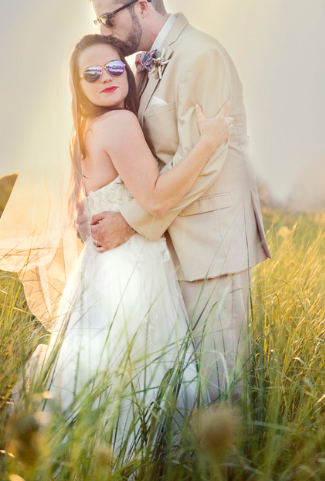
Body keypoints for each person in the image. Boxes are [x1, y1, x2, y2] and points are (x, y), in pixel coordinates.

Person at [22, 34, 232, 452]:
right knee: (137, 365)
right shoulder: (119, 123)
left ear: (128, 70)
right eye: (92, 74)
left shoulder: (83, 129)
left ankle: (87, 458)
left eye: (115, 68)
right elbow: (154, 197)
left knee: (102, 366)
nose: (105, 79)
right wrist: (208, 141)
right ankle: (126, 462)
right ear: (78, 85)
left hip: (100, 267)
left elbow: (84, 206)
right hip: (132, 267)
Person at [85, 0, 271, 402]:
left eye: (107, 20)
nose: (105, 32)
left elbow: (203, 161)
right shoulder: (147, 66)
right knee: (182, 381)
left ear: (142, 7)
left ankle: (226, 471)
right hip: (174, 241)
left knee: (217, 383)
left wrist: (129, 221)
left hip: (211, 244)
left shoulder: (200, 54)